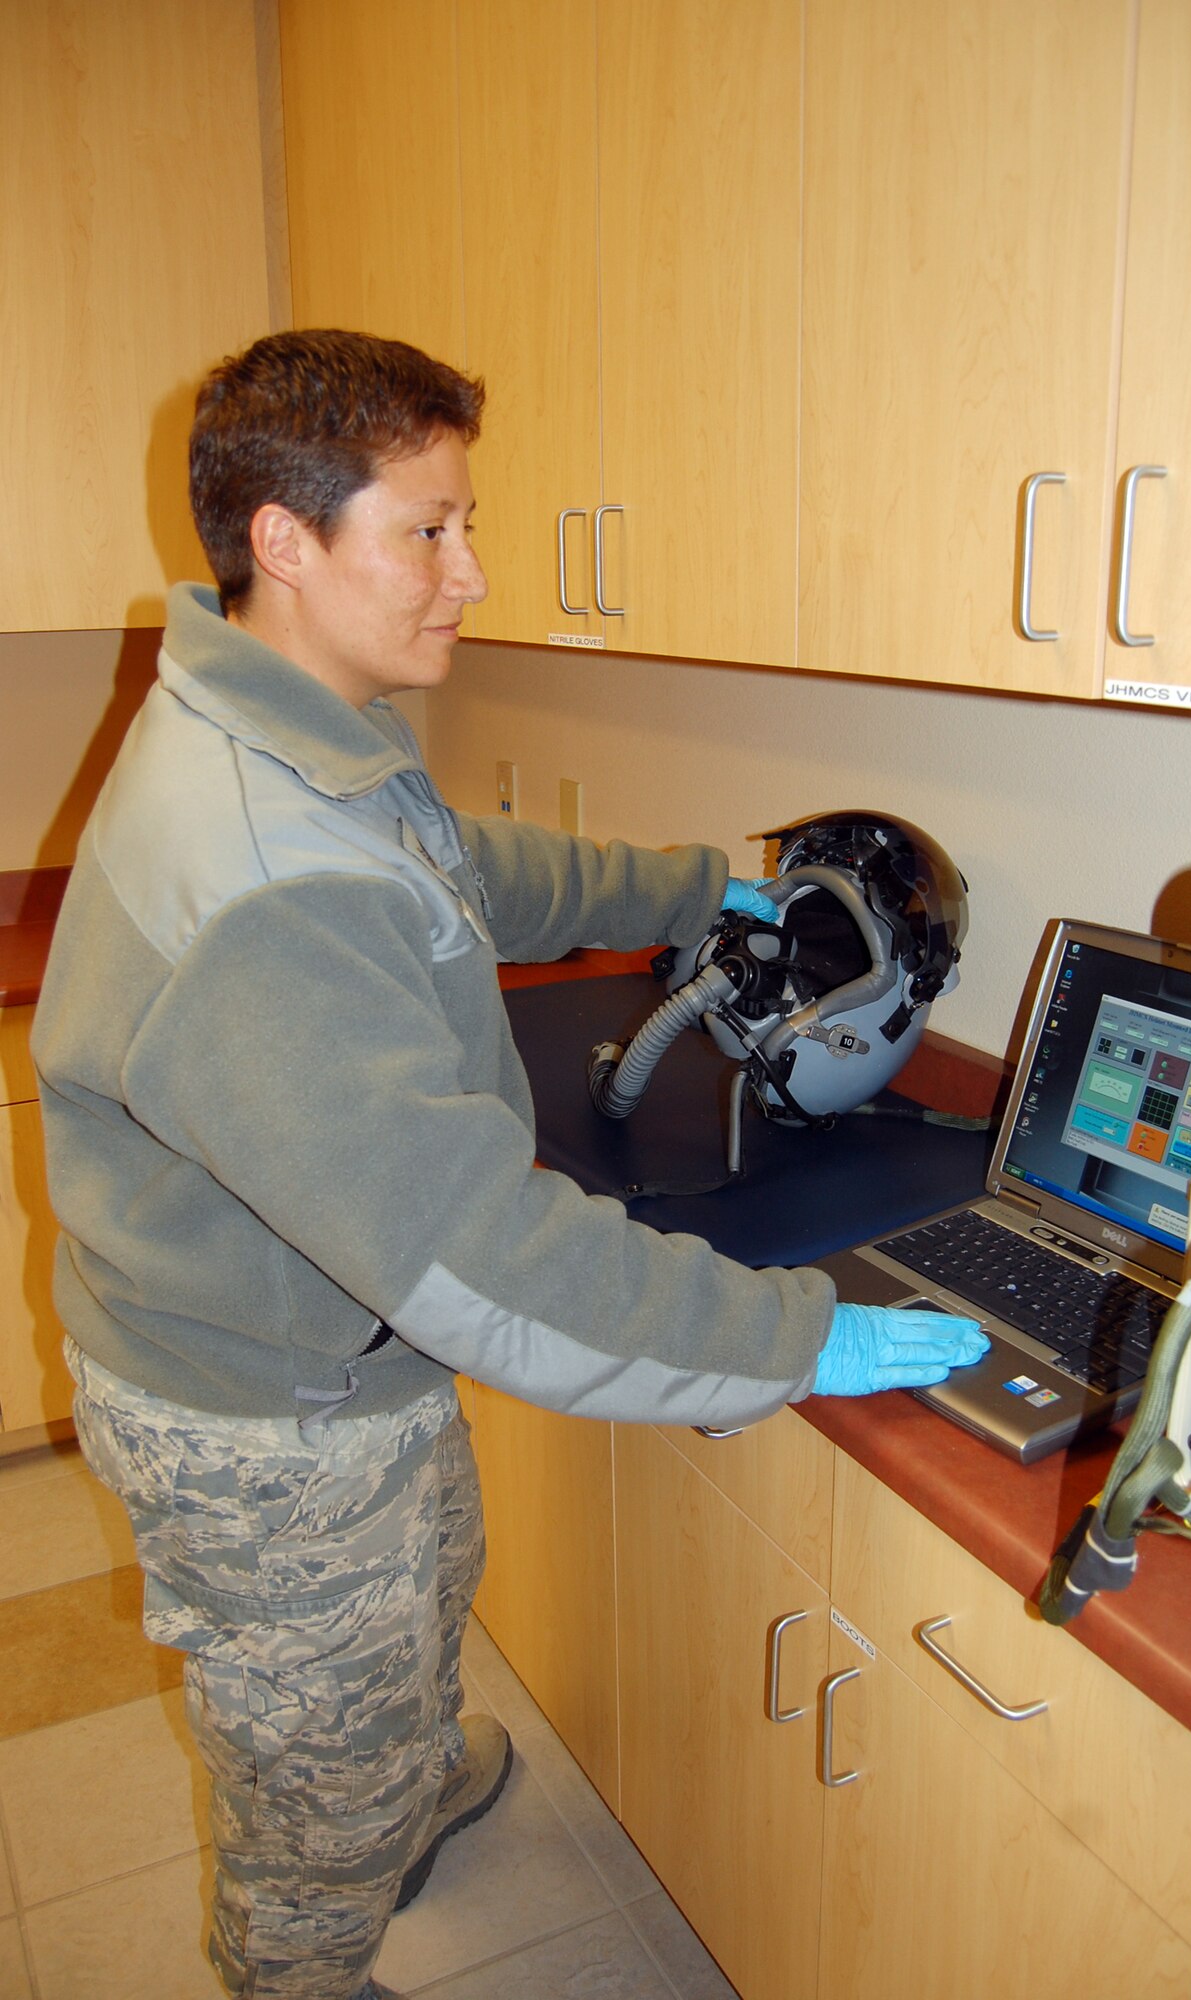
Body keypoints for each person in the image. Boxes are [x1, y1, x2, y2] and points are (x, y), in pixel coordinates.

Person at [31, 328, 987, 2000]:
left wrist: (695, 888)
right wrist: (784, 1333)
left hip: (315, 1355)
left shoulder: (286, 720)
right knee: (304, 1779)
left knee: (413, 1609)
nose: (472, 572)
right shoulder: (268, 877)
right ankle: (311, 1938)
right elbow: (472, 1257)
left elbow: (462, 864)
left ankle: (401, 1775)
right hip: (269, 1419)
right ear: (285, 540)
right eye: (429, 529)